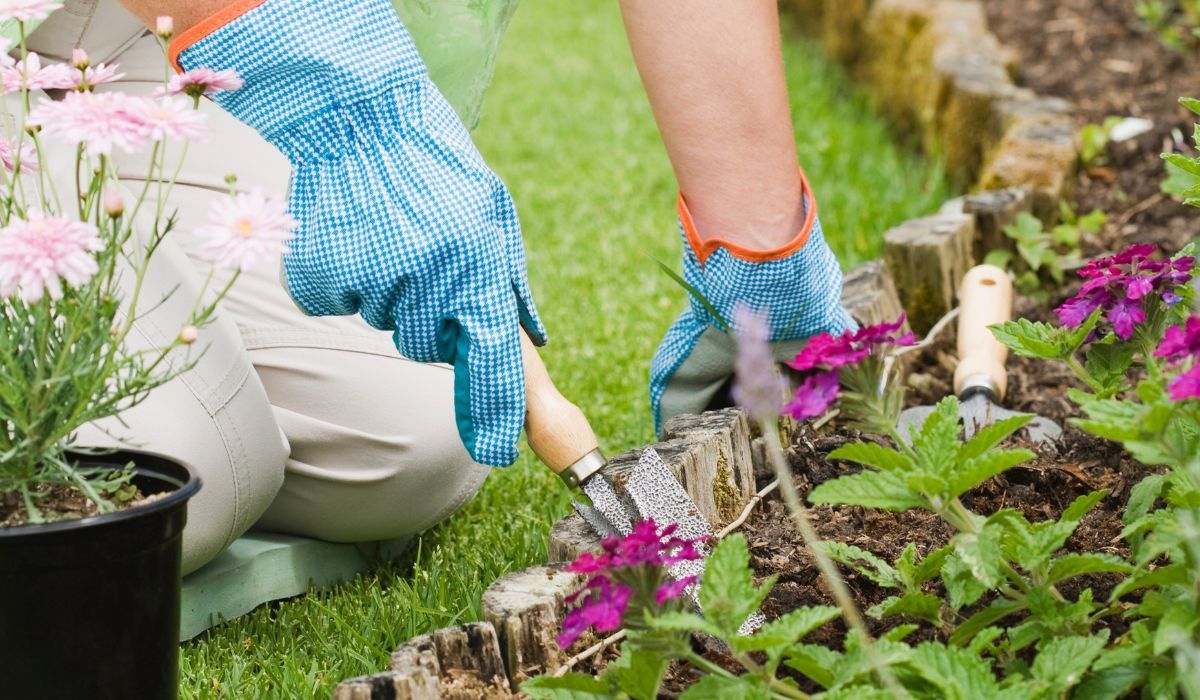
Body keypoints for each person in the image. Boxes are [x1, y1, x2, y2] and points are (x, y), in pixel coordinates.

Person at [36, 0, 849, 576]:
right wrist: (346, 105)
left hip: (133, 41)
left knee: (414, 441)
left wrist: (758, 256)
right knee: (170, 494)